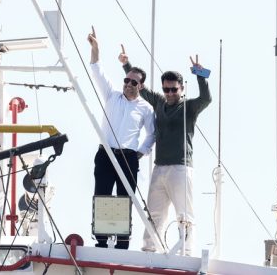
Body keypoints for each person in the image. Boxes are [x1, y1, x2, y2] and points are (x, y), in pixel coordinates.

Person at [120, 47, 211, 256]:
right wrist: (126, 64)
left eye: (173, 90)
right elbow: (139, 87)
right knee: (154, 212)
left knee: (184, 213)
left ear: (181, 90)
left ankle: (186, 251)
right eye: (166, 89)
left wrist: (200, 75)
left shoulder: (189, 107)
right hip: (159, 167)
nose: (169, 93)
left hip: (181, 167)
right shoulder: (160, 103)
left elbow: (206, 99)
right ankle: (149, 249)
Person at [88, 27, 155, 249]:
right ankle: (102, 241)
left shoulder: (145, 108)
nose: (128, 84)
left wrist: (141, 152)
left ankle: (122, 243)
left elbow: (152, 133)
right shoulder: (112, 95)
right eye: (127, 80)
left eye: (134, 82)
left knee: (124, 199)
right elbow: (96, 70)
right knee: (103, 195)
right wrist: (96, 49)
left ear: (141, 86)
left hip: (128, 157)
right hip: (106, 154)